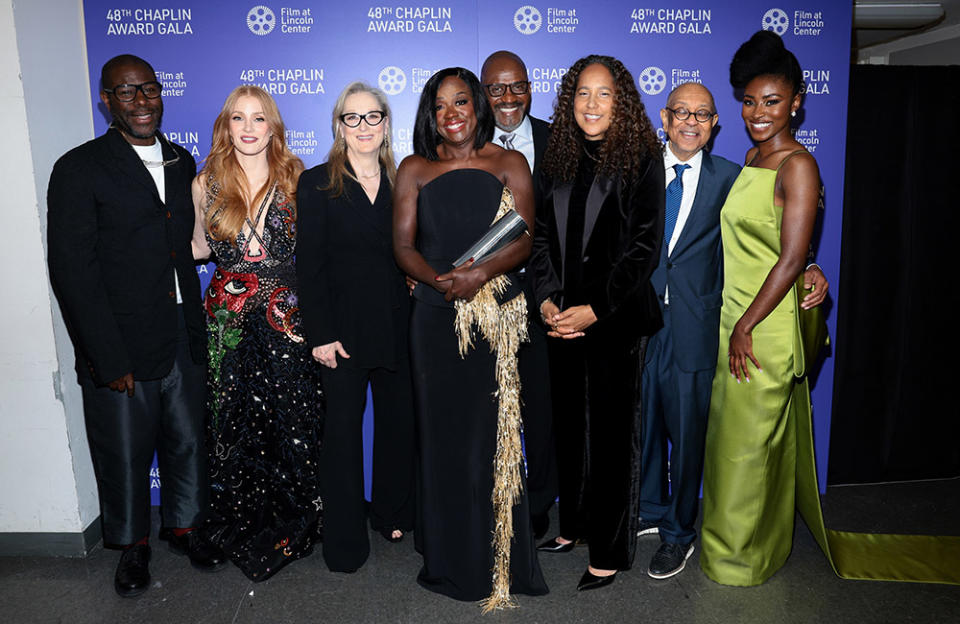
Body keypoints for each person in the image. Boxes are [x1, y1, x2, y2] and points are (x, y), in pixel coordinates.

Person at [47, 54, 226, 597]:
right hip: (120, 339)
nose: (142, 101)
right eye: (127, 93)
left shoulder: (179, 158)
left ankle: (185, 528)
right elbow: (73, 272)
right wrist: (106, 356)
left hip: (180, 329)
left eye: (149, 90)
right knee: (123, 450)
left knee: (188, 438)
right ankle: (132, 548)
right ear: (107, 101)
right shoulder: (79, 167)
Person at [636, 81, 829, 579]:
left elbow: (769, 229)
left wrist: (808, 265)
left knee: (688, 429)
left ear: (714, 123)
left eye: (703, 114)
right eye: (681, 112)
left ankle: (680, 533)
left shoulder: (731, 175)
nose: (691, 122)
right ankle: (650, 510)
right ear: (664, 116)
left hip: (698, 324)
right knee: (645, 423)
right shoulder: (633, 170)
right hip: (638, 322)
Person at [393, 67, 548, 609]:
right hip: (434, 319)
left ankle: (497, 557)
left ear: (478, 106)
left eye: (462, 102)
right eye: (440, 105)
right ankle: (447, 556)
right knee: (440, 437)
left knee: (489, 437)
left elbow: (524, 237)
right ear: (429, 114)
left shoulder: (510, 163)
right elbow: (403, 246)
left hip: (492, 318)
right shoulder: (414, 167)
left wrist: (476, 276)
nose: (452, 113)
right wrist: (440, 283)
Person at [529, 55, 664, 591]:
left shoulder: (641, 157)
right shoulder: (558, 155)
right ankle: (576, 526)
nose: (591, 104)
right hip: (560, 317)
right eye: (582, 93)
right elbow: (538, 236)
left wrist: (595, 309)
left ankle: (607, 549)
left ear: (622, 101)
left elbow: (642, 249)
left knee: (610, 438)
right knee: (569, 428)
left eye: (604, 94)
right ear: (569, 100)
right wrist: (545, 302)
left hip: (614, 318)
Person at [699, 30, 825, 586]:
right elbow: (778, 240)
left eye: (771, 101)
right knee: (734, 443)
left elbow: (792, 257)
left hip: (764, 328)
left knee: (748, 450)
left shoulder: (798, 165)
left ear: (796, 101)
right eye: (749, 101)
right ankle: (748, 546)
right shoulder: (752, 156)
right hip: (736, 319)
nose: (757, 113)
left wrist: (746, 324)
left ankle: (740, 561)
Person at [191, 85, 323, 582]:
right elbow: (199, 249)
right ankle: (239, 516)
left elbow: (318, 251)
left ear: (273, 126)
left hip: (287, 315)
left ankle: (297, 513)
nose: (248, 129)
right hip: (227, 316)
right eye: (238, 119)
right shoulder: (205, 183)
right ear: (226, 126)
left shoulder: (297, 178)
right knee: (232, 420)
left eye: (258, 119)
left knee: (293, 415)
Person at [295, 82, 415, 573]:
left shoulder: (405, 179)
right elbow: (310, 266)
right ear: (338, 125)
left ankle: (391, 512)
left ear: (386, 123)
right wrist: (319, 333)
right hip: (340, 331)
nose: (363, 127)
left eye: (372, 117)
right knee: (342, 436)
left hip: (398, 324)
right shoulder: (318, 182)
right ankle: (343, 539)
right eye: (352, 117)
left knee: (398, 427)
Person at [479, 50, 557, 539]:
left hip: (545, 290)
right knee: (488, 402)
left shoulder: (556, 139)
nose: (509, 98)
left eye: (518, 86)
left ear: (530, 87)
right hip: (485, 291)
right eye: (496, 88)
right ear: (484, 92)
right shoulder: (466, 141)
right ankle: (490, 499)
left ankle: (540, 501)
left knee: (542, 406)